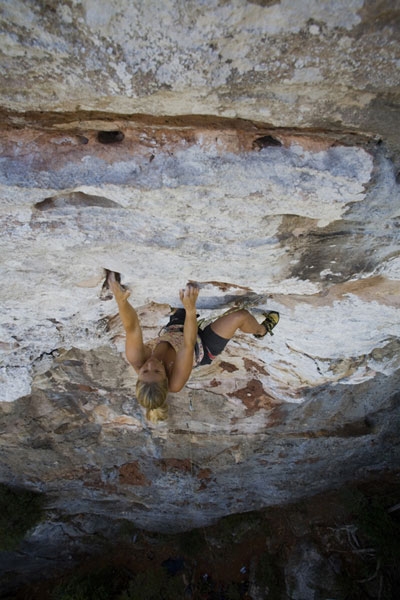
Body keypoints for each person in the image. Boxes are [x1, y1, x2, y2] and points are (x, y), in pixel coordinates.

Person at [108, 272, 279, 422]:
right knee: (240, 316)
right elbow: (188, 344)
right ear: (166, 378)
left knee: (184, 288)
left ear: (139, 377)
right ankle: (261, 330)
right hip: (201, 347)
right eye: (157, 371)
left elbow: (132, 328)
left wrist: (121, 302)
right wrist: (190, 310)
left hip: (176, 330)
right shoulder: (175, 383)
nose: (151, 364)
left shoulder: (137, 359)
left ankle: (183, 312)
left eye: (145, 371)